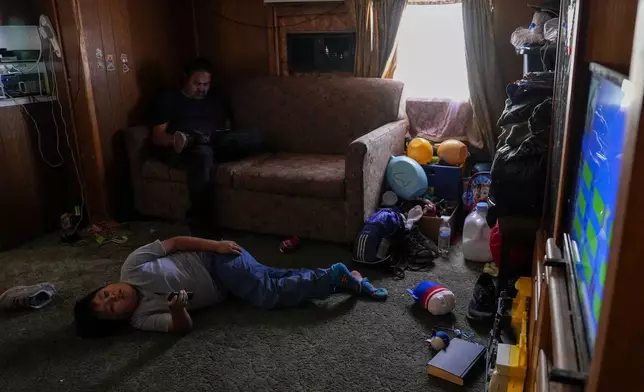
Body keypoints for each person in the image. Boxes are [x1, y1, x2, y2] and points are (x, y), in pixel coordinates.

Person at [73, 236, 388, 337]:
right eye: (111, 306)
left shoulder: (132, 266)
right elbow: (180, 327)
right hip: (226, 286)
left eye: (105, 294)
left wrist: (217, 245)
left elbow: (175, 242)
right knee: (269, 278)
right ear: (118, 320)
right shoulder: (140, 319)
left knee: (266, 294)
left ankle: (335, 278)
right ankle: (345, 277)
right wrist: (178, 310)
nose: (113, 296)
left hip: (216, 260)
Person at [150, 58, 227, 236]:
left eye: (206, 84)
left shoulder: (215, 98)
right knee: (203, 154)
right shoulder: (169, 99)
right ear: (185, 79)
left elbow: (226, 125)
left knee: (252, 138)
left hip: (215, 141)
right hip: (184, 150)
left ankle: (199, 140)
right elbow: (157, 136)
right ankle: (202, 226)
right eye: (197, 84)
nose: (202, 89)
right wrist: (177, 140)